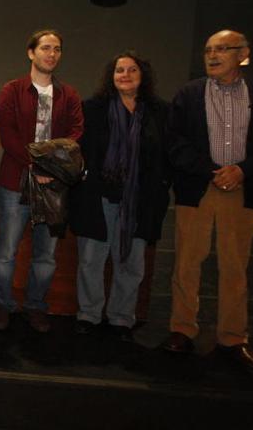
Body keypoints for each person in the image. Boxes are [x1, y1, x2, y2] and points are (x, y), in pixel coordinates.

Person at [162, 30, 253, 370]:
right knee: (186, 262)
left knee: (234, 267)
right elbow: (175, 142)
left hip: (243, 190)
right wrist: (213, 170)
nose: (213, 56)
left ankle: (232, 337)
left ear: (243, 54)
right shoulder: (188, 93)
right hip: (199, 188)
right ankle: (182, 330)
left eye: (222, 49)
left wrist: (242, 170)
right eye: (208, 50)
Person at [69, 51, 171, 341]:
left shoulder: (159, 112)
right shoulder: (93, 109)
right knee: (91, 260)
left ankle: (121, 319)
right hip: (96, 197)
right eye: (119, 70)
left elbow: (165, 157)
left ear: (143, 76)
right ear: (110, 77)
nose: (124, 75)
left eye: (131, 70)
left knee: (131, 262)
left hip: (139, 201)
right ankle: (88, 314)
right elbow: (80, 151)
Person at [0, 29, 83, 333]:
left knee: (46, 256)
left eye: (57, 49)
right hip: (15, 182)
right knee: (6, 253)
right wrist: (35, 163)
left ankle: (35, 306)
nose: (51, 54)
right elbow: (8, 134)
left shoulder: (69, 95)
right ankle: (3, 306)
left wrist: (52, 168)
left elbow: (75, 134)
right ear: (31, 53)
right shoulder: (12, 90)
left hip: (54, 185)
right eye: (45, 48)